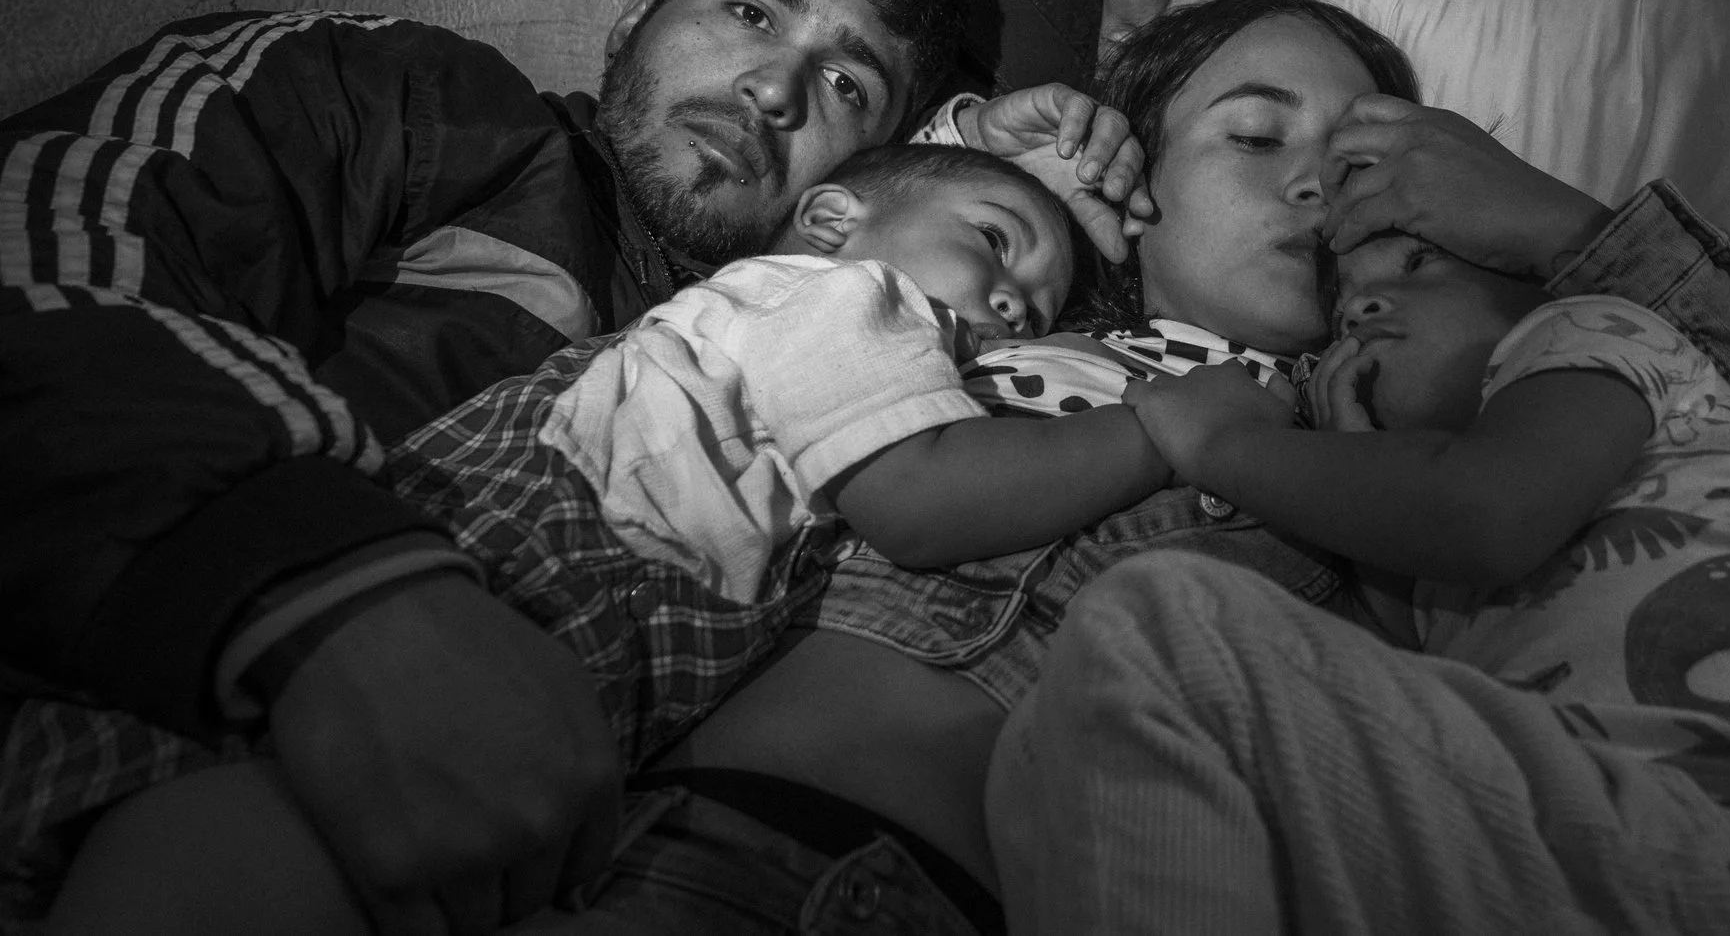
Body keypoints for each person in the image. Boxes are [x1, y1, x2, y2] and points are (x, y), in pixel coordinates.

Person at [536, 0, 1730, 934]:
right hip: (692, 839)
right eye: (1256, 136)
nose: (1325, 178)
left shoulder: (1433, 423)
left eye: (1384, 151)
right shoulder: (952, 312)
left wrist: (1568, 230)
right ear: (1125, 192)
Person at [0, 0, 1256, 935]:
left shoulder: (866, 339)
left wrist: (1148, 67)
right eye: (753, 12)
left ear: (870, 162)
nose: (774, 88)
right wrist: (322, 597)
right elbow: (44, 243)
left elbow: (1090, 344)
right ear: (631, 16)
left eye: (846, 84)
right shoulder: (424, 108)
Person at [30, 142, 1204, 934]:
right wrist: (1158, 429)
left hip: (516, 710)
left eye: (1035, 308)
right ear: (832, 218)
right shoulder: (840, 298)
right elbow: (924, 497)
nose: (1008, 304)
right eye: (997, 242)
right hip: (491, 600)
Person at [1001, 223, 1730, 935]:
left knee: (1164, 628)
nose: (1363, 305)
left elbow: (1489, 515)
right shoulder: (1433, 532)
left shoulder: (1591, 332)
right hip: (1565, 835)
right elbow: (1407, 675)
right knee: (1039, 743)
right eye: (1346, 304)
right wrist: (1365, 469)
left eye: (1411, 266)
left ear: (1530, 281)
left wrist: (1229, 443)